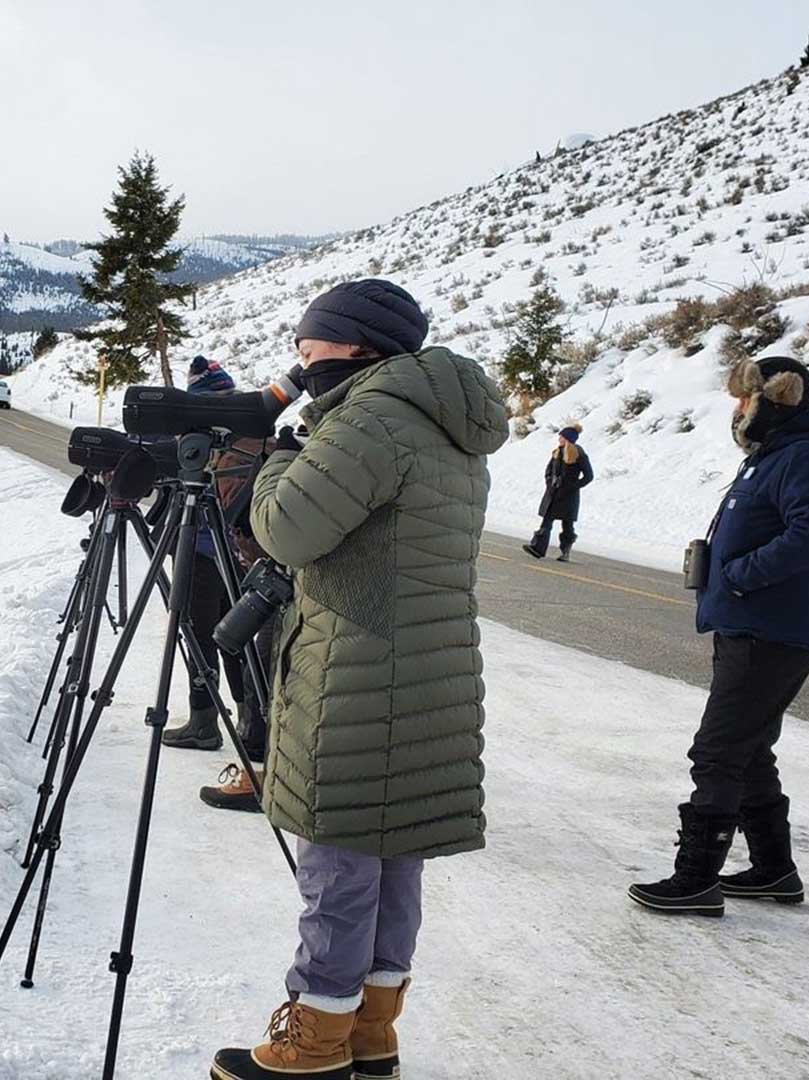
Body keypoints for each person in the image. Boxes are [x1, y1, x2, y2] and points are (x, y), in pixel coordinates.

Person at [208, 280, 509, 1080]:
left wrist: (273, 462)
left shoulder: (371, 419)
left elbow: (285, 529)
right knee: (391, 848)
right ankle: (370, 1030)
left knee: (339, 855)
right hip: (425, 667)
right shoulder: (444, 421)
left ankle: (314, 1037)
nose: (300, 364)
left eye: (311, 349)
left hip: (359, 669)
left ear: (356, 347)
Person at [628, 356, 809, 918]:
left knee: (719, 751)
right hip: (751, 625)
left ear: (771, 402)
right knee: (749, 753)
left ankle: (697, 879)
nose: (736, 410)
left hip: (769, 629)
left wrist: (740, 576)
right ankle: (776, 870)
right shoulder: (773, 456)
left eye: (743, 400)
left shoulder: (805, 456)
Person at [162, 356, 270, 756]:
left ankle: (204, 721)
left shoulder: (211, 445)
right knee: (235, 637)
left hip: (206, 551)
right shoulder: (252, 436)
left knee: (199, 634)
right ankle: (251, 719)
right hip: (243, 557)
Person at [520, 421, 592, 562]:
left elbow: (589, 476)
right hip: (553, 493)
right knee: (547, 520)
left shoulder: (579, 454)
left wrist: (572, 486)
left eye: (561, 437)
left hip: (568, 496)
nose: (559, 439)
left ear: (568, 439)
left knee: (567, 524)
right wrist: (549, 483)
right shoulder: (556, 452)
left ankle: (565, 551)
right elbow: (548, 470)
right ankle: (537, 548)